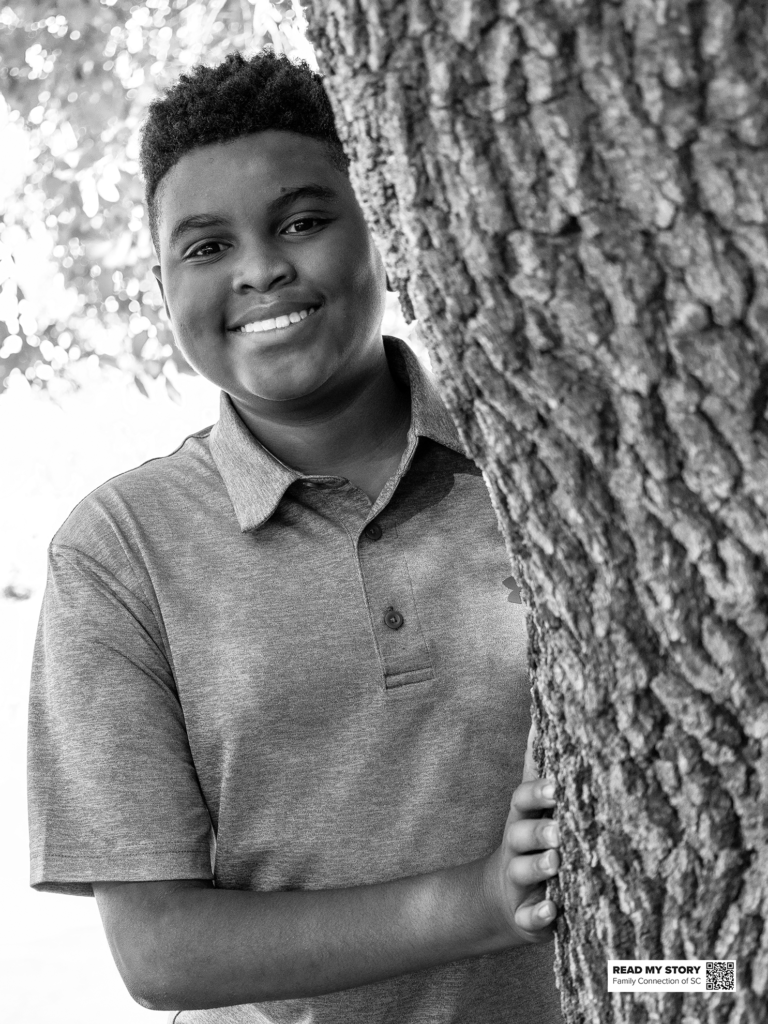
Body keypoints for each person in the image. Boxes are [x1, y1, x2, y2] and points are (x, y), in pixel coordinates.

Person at [28, 50, 563, 1023]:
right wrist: (478, 902)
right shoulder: (118, 551)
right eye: (204, 247)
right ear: (161, 286)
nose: (261, 268)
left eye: (303, 221)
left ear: (378, 231)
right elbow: (161, 952)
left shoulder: (549, 473)